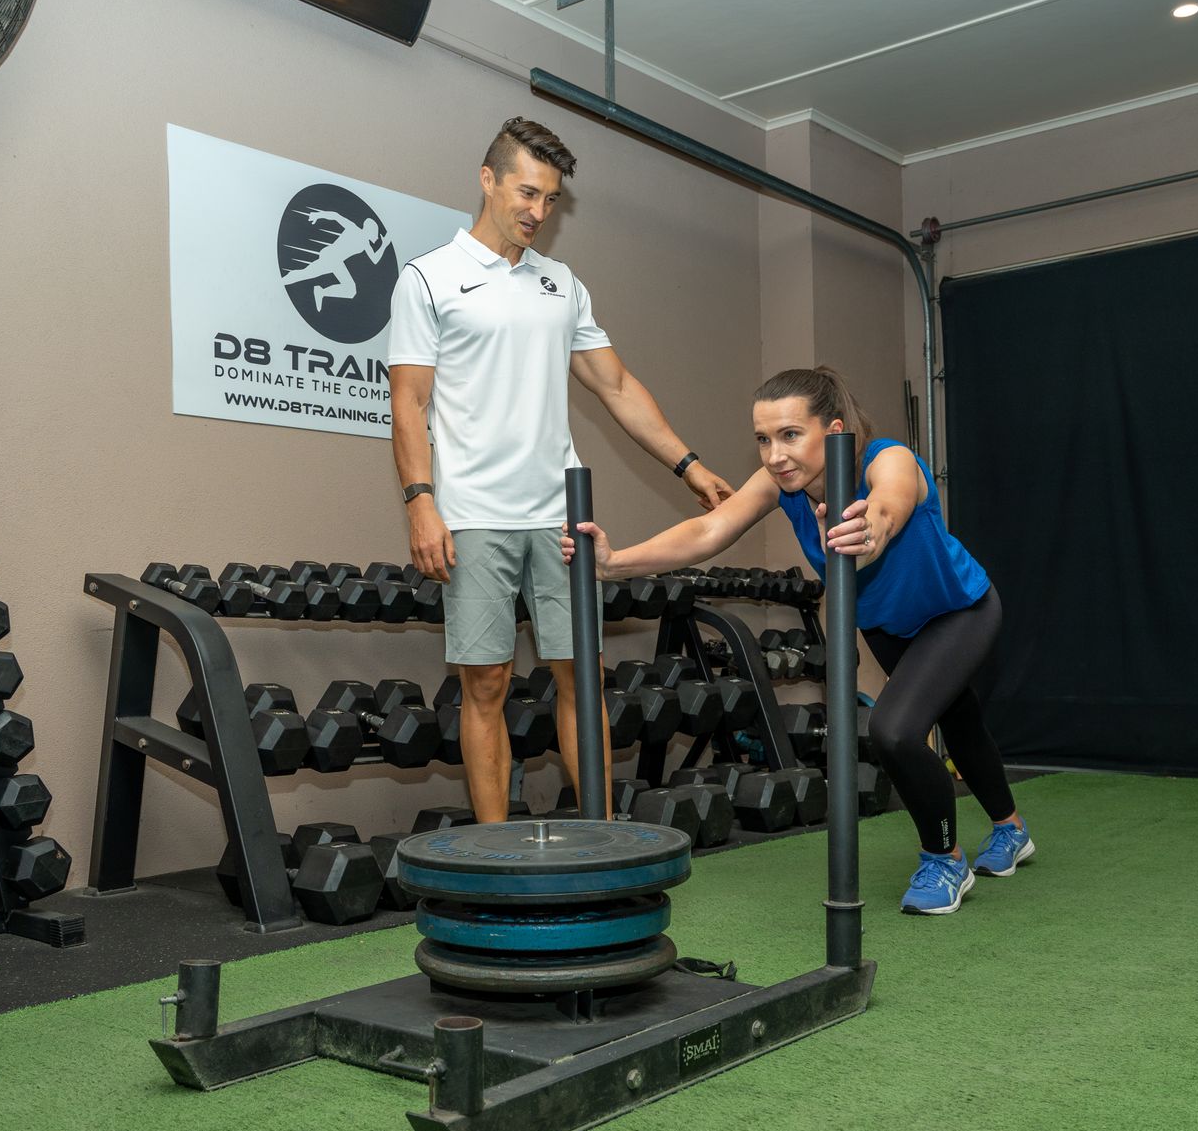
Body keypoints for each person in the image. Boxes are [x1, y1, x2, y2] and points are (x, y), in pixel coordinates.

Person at [563, 366, 1032, 914]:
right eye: (763, 439)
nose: (774, 455)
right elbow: (709, 531)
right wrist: (616, 563)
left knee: (897, 730)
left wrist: (871, 528)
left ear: (833, 430)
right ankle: (1011, 828)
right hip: (886, 623)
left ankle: (943, 858)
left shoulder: (885, 458)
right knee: (959, 716)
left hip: (961, 611)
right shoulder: (780, 486)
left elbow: (892, 500)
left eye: (790, 435)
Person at [388, 116, 734, 823]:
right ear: (487, 179)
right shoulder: (428, 279)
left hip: (560, 513)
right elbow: (409, 401)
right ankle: (493, 850)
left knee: (580, 676)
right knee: (484, 684)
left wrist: (687, 463)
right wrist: (420, 501)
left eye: (550, 199)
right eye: (526, 192)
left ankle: (601, 836)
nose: (537, 212)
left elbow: (616, 386)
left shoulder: (561, 284)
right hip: (474, 513)